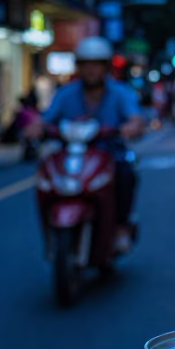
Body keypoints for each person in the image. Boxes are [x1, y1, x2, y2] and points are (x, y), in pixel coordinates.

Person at [36, 38, 145, 248]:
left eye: (96, 65)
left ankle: (120, 226)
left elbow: (135, 117)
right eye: (85, 65)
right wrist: (35, 127)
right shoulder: (66, 93)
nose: (90, 70)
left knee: (125, 173)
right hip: (72, 155)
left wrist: (132, 126)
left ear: (105, 67)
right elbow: (46, 119)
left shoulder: (120, 92)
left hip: (109, 153)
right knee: (46, 174)